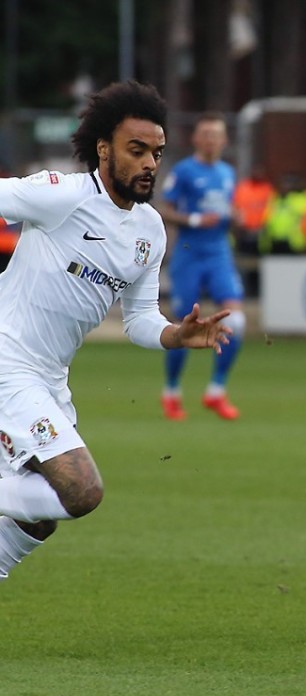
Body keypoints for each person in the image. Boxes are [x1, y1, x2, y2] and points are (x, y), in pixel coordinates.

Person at [0, 80, 231, 581]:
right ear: (104, 149)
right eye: (137, 150)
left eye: (157, 153)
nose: (150, 163)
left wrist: (175, 334)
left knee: (37, 517)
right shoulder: (62, 195)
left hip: (48, 378)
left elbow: (139, 319)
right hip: (7, 360)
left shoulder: (150, 231)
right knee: (81, 490)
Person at [157, 112, 245, 421]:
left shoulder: (227, 173)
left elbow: (227, 210)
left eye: (216, 135)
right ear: (196, 139)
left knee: (237, 321)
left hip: (219, 253)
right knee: (185, 326)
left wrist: (235, 217)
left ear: (224, 140)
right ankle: (171, 392)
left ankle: (216, 391)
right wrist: (194, 219)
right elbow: (164, 209)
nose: (211, 140)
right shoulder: (184, 171)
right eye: (205, 134)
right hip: (189, 255)